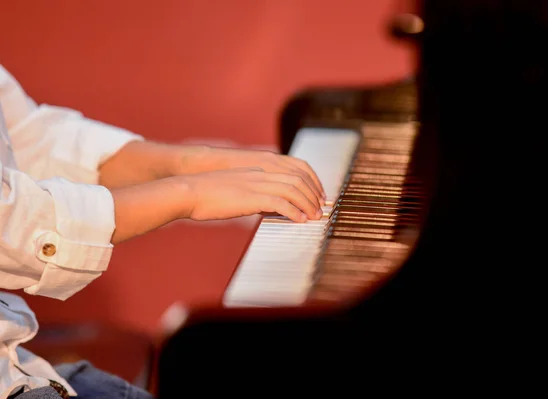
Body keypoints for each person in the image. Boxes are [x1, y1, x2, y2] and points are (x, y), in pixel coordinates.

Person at [0, 63, 326, 399]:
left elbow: (28, 139)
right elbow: (9, 224)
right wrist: (189, 194)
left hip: (18, 366)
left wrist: (194, 162)